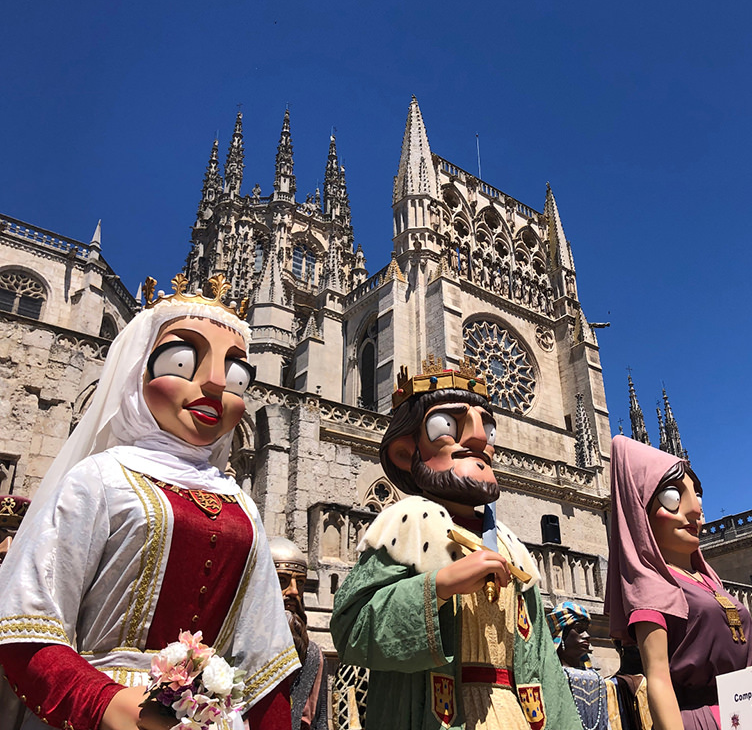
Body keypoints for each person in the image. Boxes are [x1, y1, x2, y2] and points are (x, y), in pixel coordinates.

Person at [0, 274, 298, 730]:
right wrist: (108, 704)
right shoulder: (101, 477)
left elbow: (265, 661)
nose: (215, 383)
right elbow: (27, 625)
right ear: (139, 368)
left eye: (236, 374)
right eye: (183, 361)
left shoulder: (241, 503)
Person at [330, 359, 582, 730]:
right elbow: (351, 631)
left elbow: (546, 667)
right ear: (405, 452)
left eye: (488, 429)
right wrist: (438, 587)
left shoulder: (511, 548)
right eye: (447, 425)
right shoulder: (408, 525)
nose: (478, 439)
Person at [604, 435, 752, 730]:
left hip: (748, 716)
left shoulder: (710, 581)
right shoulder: (653, 586)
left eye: (697, 497)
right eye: (673, 497)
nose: (695, 510)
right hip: (700, 722)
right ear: (641, 511)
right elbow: (658, 678)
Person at [271, 536, 328, 730]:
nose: (294, 591)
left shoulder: (314, 656)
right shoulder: (235, 644)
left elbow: (319, 723)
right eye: (282, 580)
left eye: (301, 582)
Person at [549, 601, 610, 730]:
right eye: (579, 629)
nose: (587, 636)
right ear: (561, 634)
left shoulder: (596, 677)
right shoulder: (550, 678)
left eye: (586, 630)